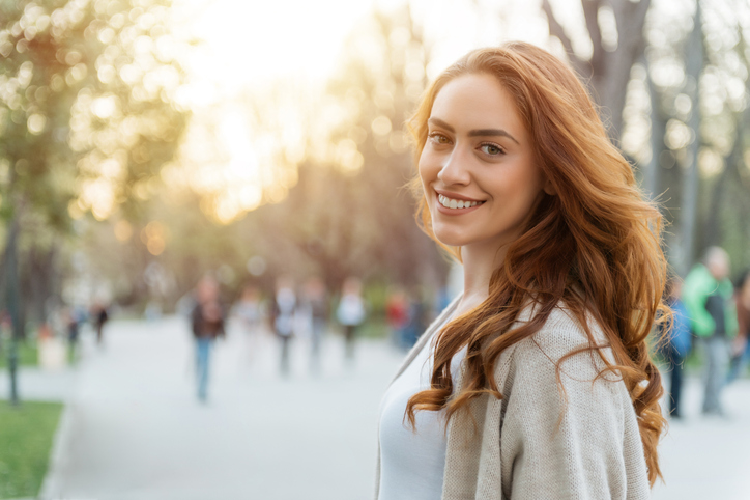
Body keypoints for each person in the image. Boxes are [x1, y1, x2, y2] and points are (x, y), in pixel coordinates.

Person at [375, 42, 668, 500]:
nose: (451, 171)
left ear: (552, 173)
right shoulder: (472, 310)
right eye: (441, 138)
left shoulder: (551, 349)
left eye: (490, 148)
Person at [683, 247, 738, 416]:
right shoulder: (700, 279)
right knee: (715, 367)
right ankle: (711, 404)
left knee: (717, 368)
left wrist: (733, 329)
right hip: (708, 334)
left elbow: (729, 309)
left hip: (722, 334)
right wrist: (705, 325)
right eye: (723, 265)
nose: (726, 269)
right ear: (713, 264)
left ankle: (710, 403)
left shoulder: (723, 284)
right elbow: (692, 304)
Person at [658, 277, 692, 419]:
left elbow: (689, 328)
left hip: (683, 347)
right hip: (672, 348)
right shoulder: (667, 307)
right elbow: (661, 330)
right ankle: (673, 409)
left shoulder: (684, 306)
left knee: (681, 380)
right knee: (675, 379)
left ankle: (678, 408)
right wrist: (666, 346)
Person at [191, 276, 225, 402]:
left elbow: (221, 321)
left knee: (205, 363)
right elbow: (193, 321)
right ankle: (199, 384)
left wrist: (218, 326)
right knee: (200, 361)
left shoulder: (217, 303)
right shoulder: (197, 304)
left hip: (208, 338)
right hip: (200, 337)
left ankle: (202, 389)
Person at [726, 269, 750, 383]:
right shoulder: (738, 300)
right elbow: (736, 320)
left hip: (747, 338)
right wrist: (738, 336)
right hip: (741, 337)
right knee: (735, 369)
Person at [336, 277, 366, 362]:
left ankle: (352, 353)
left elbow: (360, 311)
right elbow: (341, 311)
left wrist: (359, 318)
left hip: (354, 322)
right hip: (346, 322)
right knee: (346, 338)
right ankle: (347, 353)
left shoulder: (358, 300)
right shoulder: (345, 300)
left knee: (353, 338)